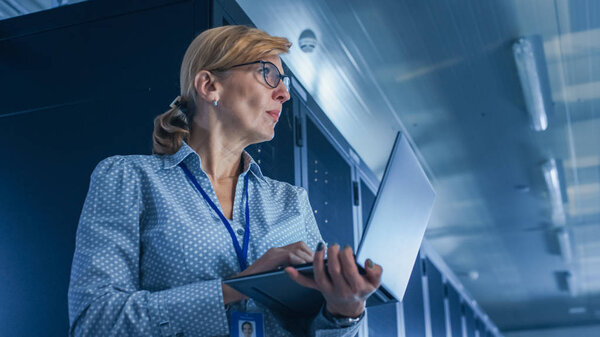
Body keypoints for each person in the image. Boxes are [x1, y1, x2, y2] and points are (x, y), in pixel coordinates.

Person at [68, 25, 382, 337]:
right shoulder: (128, 179)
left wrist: (345, 310)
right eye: (268, 74)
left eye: (283, 82)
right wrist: (235, 288)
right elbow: (94, 322)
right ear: (209, 86)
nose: (284, 94)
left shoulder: (291, 201)